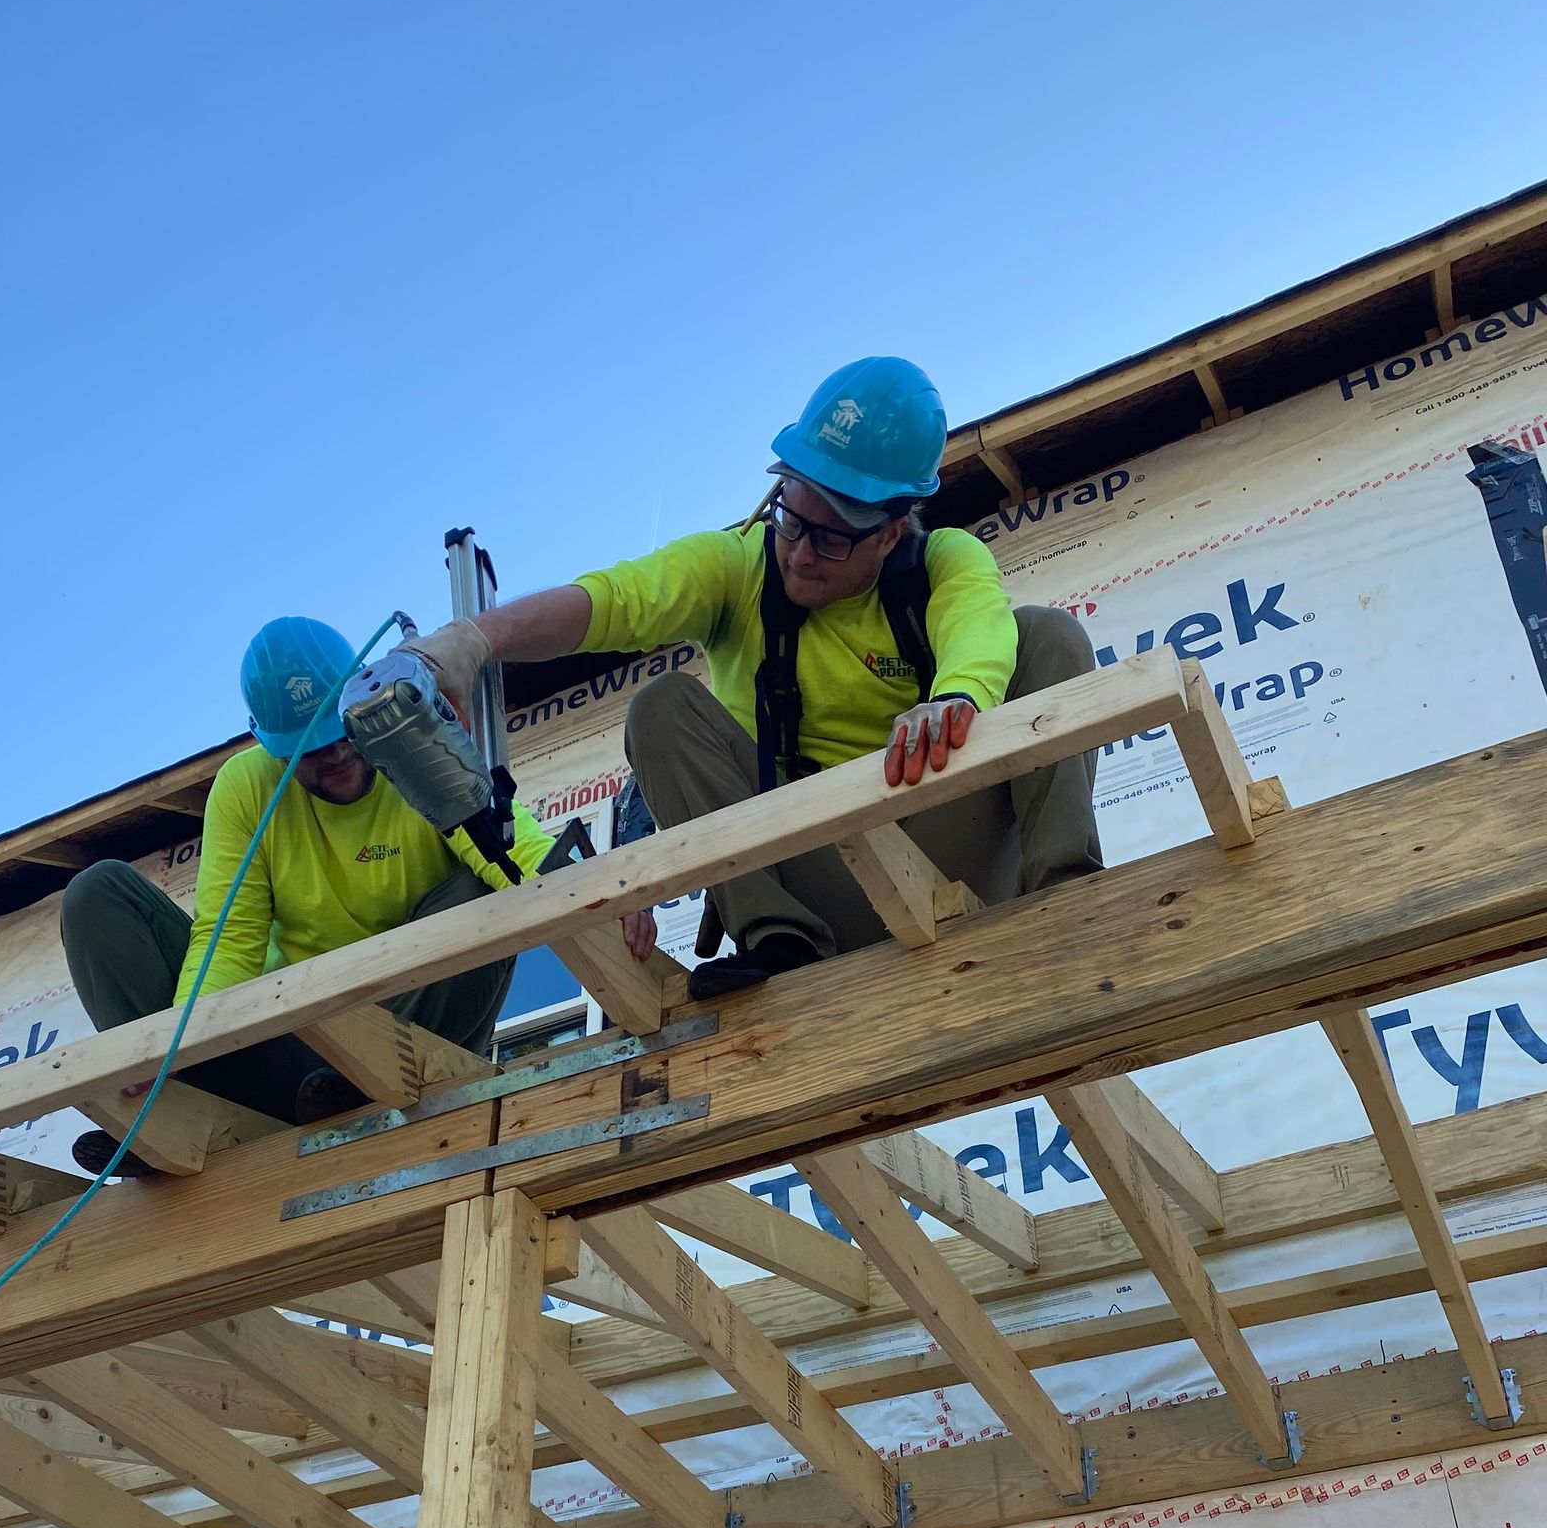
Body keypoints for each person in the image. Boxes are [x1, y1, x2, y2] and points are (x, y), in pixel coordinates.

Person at [399, 357, 1103, 1000]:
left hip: (951, 857)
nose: (799, 555)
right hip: (818, 877)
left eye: (831, 539)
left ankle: (1067, 895)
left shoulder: (942, 562)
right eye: (791, 519)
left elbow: (981, 627)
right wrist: (476, 638)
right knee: (660, 709)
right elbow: (613, 601)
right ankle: (780, 943)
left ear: (891, 531)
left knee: (1046, 635)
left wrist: (956, 698)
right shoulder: (741, 564)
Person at [59, 614, 551, 1158]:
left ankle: (365, 1089)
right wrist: (160, 1049)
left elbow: (509, 852)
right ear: (269, 745)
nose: (336, 754)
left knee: (484, 885)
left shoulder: (409, 740)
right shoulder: (247, 788)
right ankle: (174, 1107)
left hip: (415, 1033)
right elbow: (228, 942)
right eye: (311, 750)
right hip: (296, 1056)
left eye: (343, 733)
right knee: (97, 893)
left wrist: (590, 892)